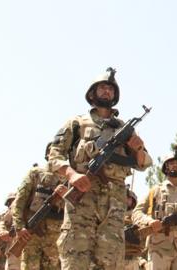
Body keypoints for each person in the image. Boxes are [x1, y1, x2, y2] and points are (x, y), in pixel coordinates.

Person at [47, 67, 152, 270]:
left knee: (110, 263)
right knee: (75, 259)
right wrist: (72, 174)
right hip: (82, 203)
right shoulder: (76, 123)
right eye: (102, 88)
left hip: (114, 208)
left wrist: (137, 148)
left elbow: (144, 163)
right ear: (92, 93)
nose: (107, 92)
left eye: (111, 89)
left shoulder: (125, 129)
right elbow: (54, 155)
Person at [132, 150, 177, 270]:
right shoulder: (155, 191)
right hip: (159, 246)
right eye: (171, 163)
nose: (175, 165)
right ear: (166, 167)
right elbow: (136, 213)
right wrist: (149, 222)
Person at [12, 145, 64, 269]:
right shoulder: (36, 173)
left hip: (55, 239)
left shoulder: (69, 178)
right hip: (32, 235)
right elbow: (20, 202)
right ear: (47, 155)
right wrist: (19, 227)